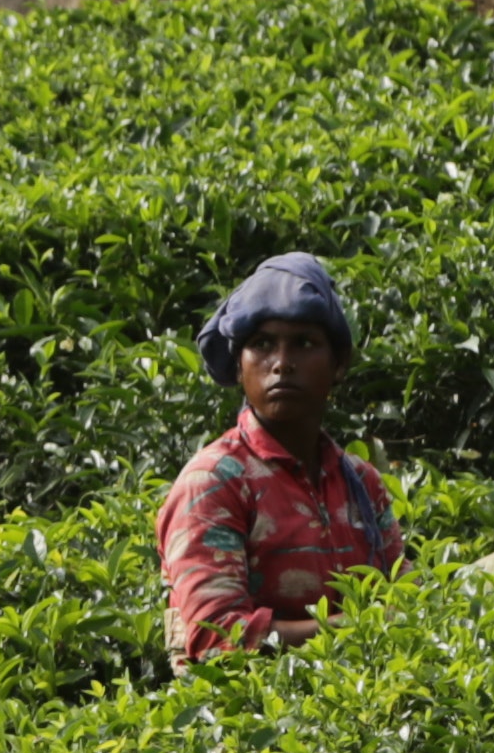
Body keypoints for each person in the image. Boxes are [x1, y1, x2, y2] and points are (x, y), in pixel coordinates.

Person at [157, 251, 404, 667]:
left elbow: (404, 597)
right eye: (262, 345)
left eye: (304, 344)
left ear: (338, 365)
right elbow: (217, 636)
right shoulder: (214, 481)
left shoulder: (361, 482)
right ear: (240, 367)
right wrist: (359, 628)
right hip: (245, 720)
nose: (282, 364)